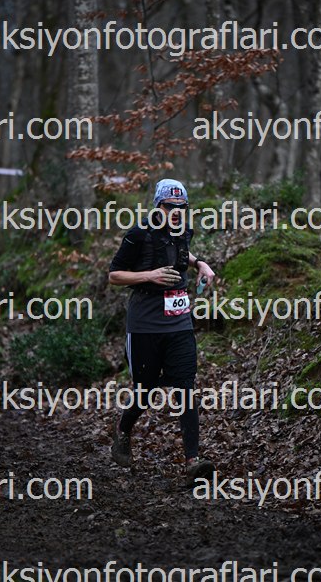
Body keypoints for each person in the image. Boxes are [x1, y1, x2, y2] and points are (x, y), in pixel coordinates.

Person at [108, 178, 215, 485]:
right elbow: (114, 275)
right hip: (145, 323)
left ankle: (193, 462)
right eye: (171, 207)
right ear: (158, 206)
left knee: (185, 387)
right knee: (145, 389)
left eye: (183, 207)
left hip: (179, 321)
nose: (177, 212)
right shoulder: (138, 234)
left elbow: (182, 253)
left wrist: (200, 264)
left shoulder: (183, 231)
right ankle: (123, 430)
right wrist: (149, 275)